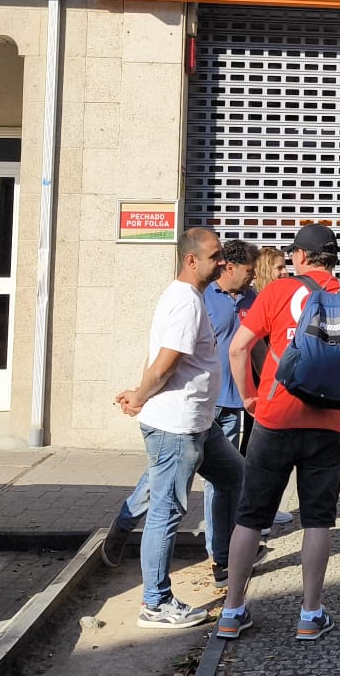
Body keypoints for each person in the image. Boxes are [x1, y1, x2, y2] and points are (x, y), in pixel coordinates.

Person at [215, 224, 340, 643]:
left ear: (302, 257)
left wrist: (249, 397)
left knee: (250, 517)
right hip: (329, 424)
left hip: (275, 419)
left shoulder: (276, 292)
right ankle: (310, 614)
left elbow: (238, 348)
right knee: (318, 520)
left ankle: (232, 612)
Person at [108, 227, 246, 629]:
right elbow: (165, 362)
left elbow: (156, 356)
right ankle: (155, 603)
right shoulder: (185, 301)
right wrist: (139, 395)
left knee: (234, 475)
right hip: (178, 426)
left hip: (199, 423)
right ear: (191, 260)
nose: (222, 262)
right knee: (167, 511)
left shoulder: (187, 296)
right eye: (215, 256)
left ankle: (223, 556)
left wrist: (139, 392)